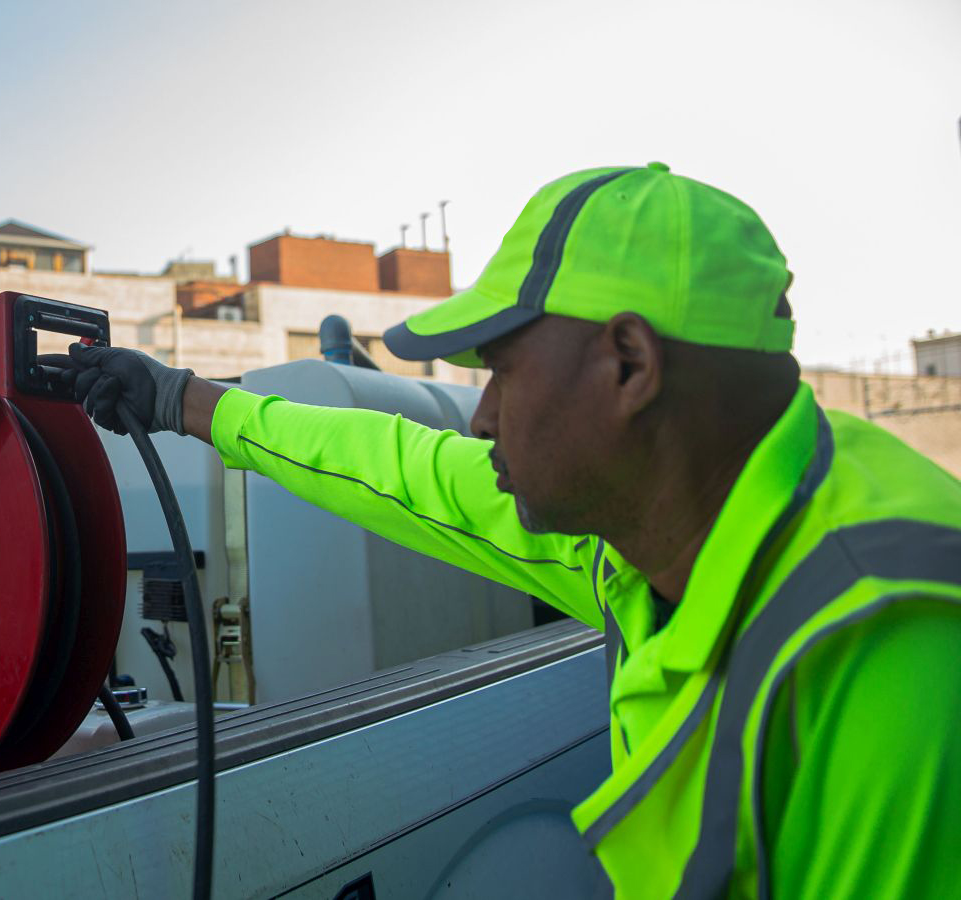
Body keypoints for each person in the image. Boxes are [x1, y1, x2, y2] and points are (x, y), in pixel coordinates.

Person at [47, 163, 961, 899]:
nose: (480, 421)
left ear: (629, 363)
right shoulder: (647, 533)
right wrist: (181, 399)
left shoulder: (891, 646)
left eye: (502, 372)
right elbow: (398, 467)